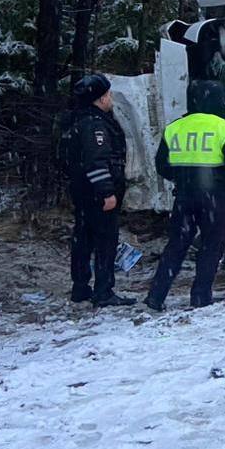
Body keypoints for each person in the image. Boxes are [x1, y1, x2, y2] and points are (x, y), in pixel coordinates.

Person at [144, 80, 225, 311]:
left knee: (176, 245)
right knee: (212, 244)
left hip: (183, 195)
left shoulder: (175, 128)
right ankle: (201, 295)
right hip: (215, 196)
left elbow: (162, 165)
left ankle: (156, 295)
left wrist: (182, 179)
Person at [66, 73, 135, 307]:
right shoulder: (95, 125)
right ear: (101, 98)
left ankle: (80, 287)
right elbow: (96, 161)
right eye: (108, 94)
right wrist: (107, 192)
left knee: (82, 239)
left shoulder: (76, 120)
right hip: (97, 193)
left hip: (81, 191)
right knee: (105, 241)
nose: (110, 98)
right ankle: (103, 291)